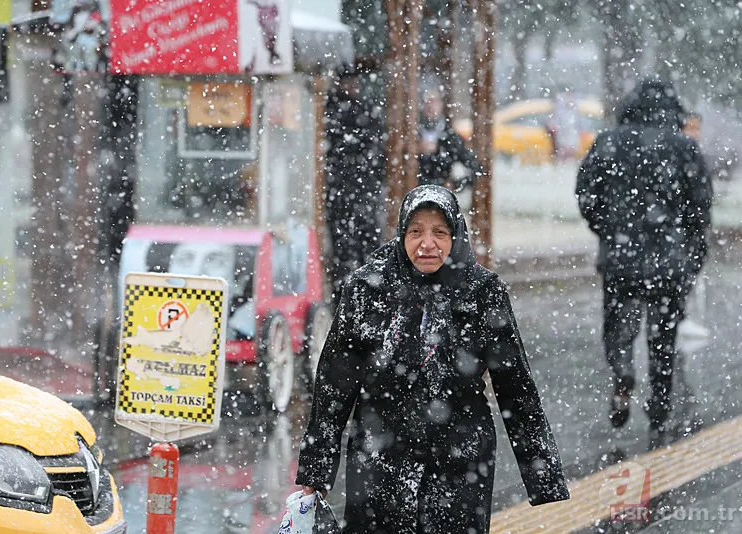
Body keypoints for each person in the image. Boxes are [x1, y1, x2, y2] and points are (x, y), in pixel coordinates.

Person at [296, 185, 569, 532]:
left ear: (456, 236)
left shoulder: (482, 293)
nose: (427, 243)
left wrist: (542, 475)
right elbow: (333, 386)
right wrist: (315, 472)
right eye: (416, 232)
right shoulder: (368, 289)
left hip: (461, 459)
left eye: (440, 232)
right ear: (401, 234)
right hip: (379, 455)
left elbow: (516, 387)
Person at [576, 79, 713, 440]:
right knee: (663, 335)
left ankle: (622, 370)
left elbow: (587, 195)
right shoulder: (685, 148)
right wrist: (692, 254)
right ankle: (660, 403)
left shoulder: (608, 143)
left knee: (618, 325)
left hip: (620, 258)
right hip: (669, 262)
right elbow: (700, 210)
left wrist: (609, 230)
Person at [324, 67, 385, 306]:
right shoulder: (338, 109)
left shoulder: (362, 110)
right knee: (346, 250)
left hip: (356, 192)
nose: (352, 87)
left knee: (362, 247)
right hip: (347, 193)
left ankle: (363, 297)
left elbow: (374, 151)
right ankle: (349, 298)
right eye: (348, 82)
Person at [418, 88, 483, 189]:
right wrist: (415, 149)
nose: (430, 105)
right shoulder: (410, 134)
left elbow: (476, 169)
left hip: (440, 199)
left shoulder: (451, 138)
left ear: (441, 104)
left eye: (434, 101)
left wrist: (454, 185)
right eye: (427, 101)